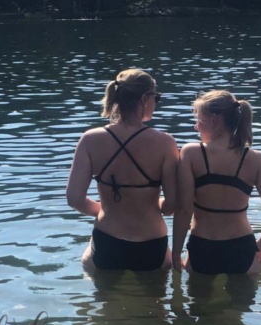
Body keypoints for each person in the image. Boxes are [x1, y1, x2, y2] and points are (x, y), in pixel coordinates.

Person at [66, 69, 179, 272]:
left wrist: (105, 210)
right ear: (145, 98)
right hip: (151, 243)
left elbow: (74, 199)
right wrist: (155, 203)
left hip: (108, 241)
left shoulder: (90, 139)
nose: (157, 102)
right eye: (156, 97)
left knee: (104, 298)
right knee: (155, 302)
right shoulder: (165, 143)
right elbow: (172, 205)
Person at [172, 90, 261, 275]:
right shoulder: (257, 160)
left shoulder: (191, 154)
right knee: (242, 303)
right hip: (241, 248)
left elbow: (184, 210)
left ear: (215, 120)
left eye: (200, 120)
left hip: (202, 246)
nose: (196, 127)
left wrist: (176, 252)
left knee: (197, 303)